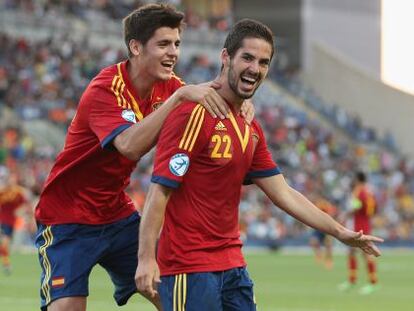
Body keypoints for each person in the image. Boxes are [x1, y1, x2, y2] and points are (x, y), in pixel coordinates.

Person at [135, 19, 383, 310]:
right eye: (248, 58)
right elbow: (159, 191)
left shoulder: (250, 128)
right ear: (226, 57)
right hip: (190, 269)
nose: (255, 68)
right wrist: (146, 259)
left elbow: (284, 193)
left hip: (234, 268)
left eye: (263, 62)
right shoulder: (192, 114)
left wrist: (340, 232)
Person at [34, 4, 254, 311]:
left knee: (169, 293)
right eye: (163, 44)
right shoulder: (105, 88)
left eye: (177, 43)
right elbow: (128, 145)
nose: (173, 53)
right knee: (67, 307)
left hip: (116, 215)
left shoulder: (171, 86)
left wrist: (239, 104)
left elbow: (213, 95)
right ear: (135, 47)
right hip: (66, 219)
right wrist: (179, 97)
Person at [338, 171, 379, 294]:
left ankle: (373, 282)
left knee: (365, 253)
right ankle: (352, 280)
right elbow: (374, 208)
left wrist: (344, 215)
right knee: (352, 251)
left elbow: (356, 207)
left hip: (359, 225)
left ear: (358, 179)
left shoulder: (359, 191)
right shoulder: (369, 191)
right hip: (364, 223)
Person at [0, 166, 30, 275]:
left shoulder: (19, 192)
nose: (11, 181)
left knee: (5, 245)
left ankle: (6, 264)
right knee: (4, 243)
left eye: (13, 179)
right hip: (2, 221)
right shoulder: (2, 191)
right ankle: (7, 265)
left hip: (10, 222)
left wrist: (20, 211)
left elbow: (25, 205)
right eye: (9, 179)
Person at [309, 195, 337, 269]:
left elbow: (331, 215)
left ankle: (329, 260)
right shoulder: (317, 204)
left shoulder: (328, 206)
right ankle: (319, 254)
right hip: (318, 227)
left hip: (327, 227)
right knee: (313, 242)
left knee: (328, 245)